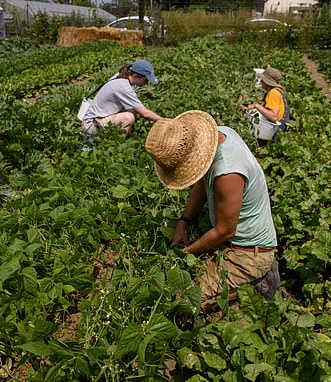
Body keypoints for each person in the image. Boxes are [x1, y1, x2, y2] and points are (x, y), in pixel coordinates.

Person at [144, 110, 280, 305]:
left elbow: (225, 231)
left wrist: (185, 254)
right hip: (229, 238)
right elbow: (201, 184)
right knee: (180, 283)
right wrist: (183, 222)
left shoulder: (227, 173)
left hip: (248, 253)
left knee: (186, 301)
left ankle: (259, 281)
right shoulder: (222, 134)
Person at [80, 60, 162, 136]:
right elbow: (145, 113)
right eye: (145, 80)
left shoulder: (120, 76)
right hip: (91, 125)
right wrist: (165, 121)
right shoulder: (123, 87)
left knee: (132, 109)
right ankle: (117, 145)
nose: (146, 83)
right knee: (128, 118)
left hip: (94, 118)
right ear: (136, 76)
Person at [238, 66, 290, 133]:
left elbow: (273, 116)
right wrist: (244, 105)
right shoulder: (277, 91)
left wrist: (257, 106)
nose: (261, 81)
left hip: (273, 132)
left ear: (266, 82)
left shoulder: (273, 93)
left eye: (262, 80)